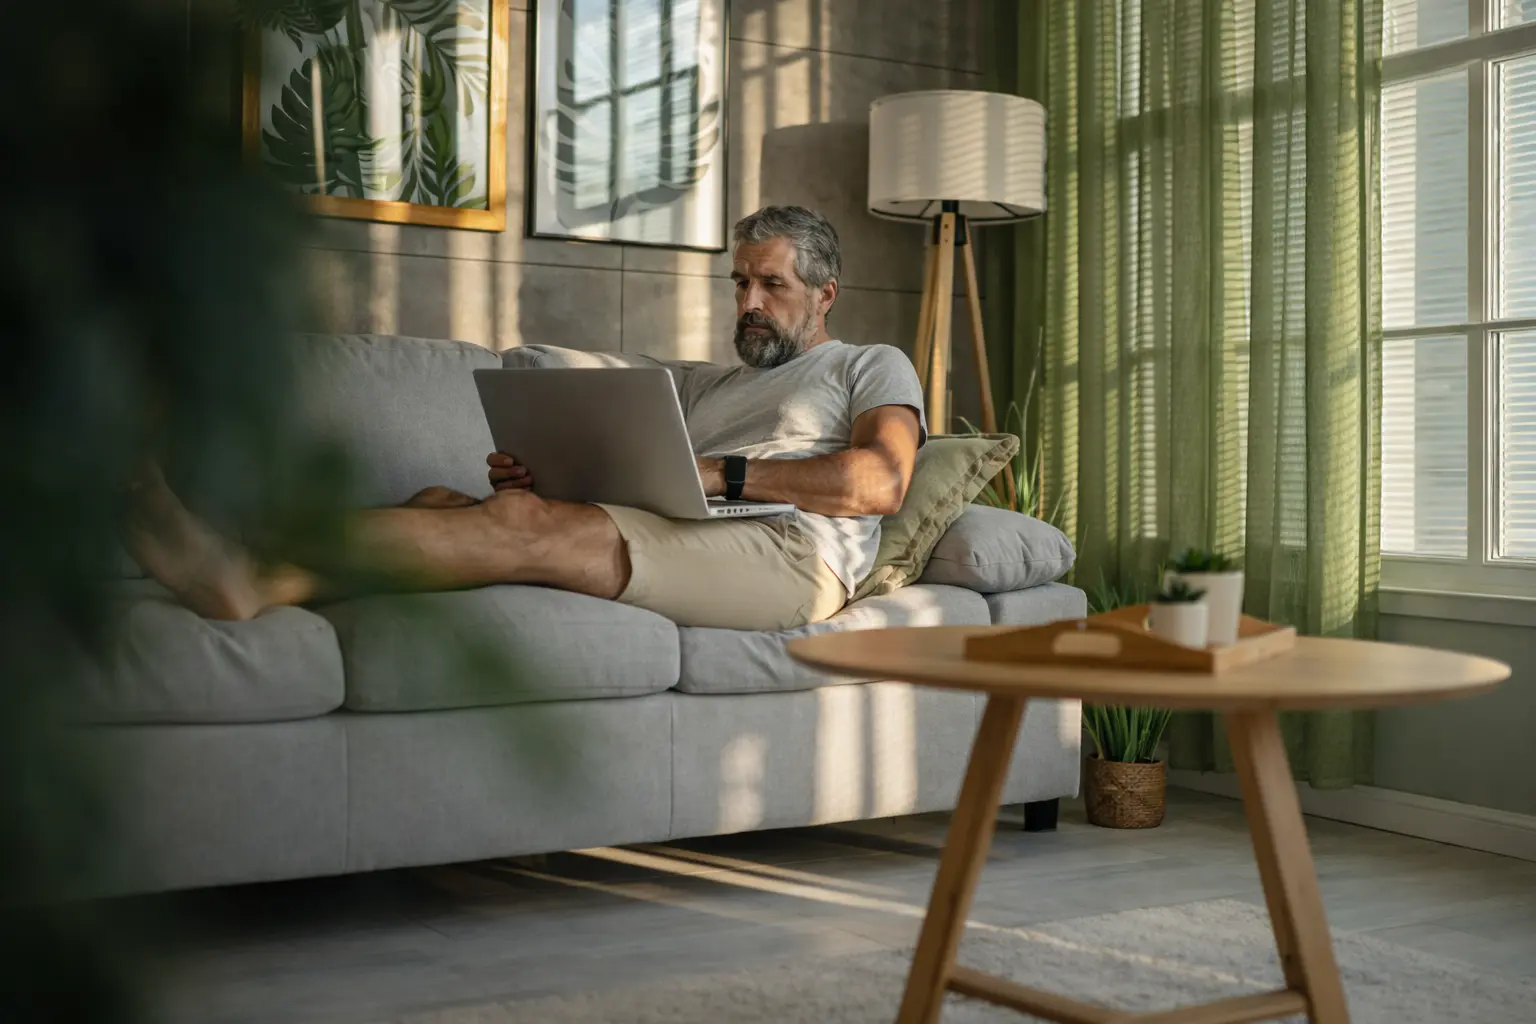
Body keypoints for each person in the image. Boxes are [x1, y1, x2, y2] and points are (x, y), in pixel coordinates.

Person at [126, 205, 926, 631]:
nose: (748, 304)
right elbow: (657, 479)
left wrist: (723, 472)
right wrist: (560, 471)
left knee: (531, 530)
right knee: (448, 501)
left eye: (771, 286)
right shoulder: (709, 385)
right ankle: (250, 581)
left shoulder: (868, 363)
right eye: (739, 284)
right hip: (693, 526)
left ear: (824, 295)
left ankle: (238, 558)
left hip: (791, 555)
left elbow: (882, 482)